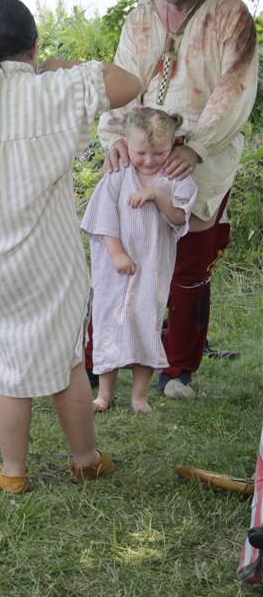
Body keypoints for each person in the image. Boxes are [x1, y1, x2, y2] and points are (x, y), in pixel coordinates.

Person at [0, 0, 142, 493]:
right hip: (52, 264)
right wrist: (60, 64)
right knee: (64, 361)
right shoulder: (55, 89)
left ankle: (13, 472)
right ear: (33, 47)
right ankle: (85, 459)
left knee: (4, 370)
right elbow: (131, 83)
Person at [97, 0, 258, 398]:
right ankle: (104, 358)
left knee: (189, 264)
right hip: (141, 155)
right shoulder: (141, 18)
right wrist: (117, 138)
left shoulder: (231, 15)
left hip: (198, 158)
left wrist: (198, 148)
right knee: (119, 257)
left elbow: (235, 89)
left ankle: (179, 369)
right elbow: (122, 82)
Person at [83, 107, 197, 414]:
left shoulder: (176, 178)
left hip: (151, 267)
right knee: (109, 321)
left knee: (145, 320)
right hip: (114, 266)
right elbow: (102, 217)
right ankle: (104, 393)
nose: (148, 160)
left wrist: (156, 195)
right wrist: (117, 253)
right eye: (140, 152)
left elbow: (178, 218)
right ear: (126, 146)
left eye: (158, 152)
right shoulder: (117, 175)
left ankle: (139, 396)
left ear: (173, 145)